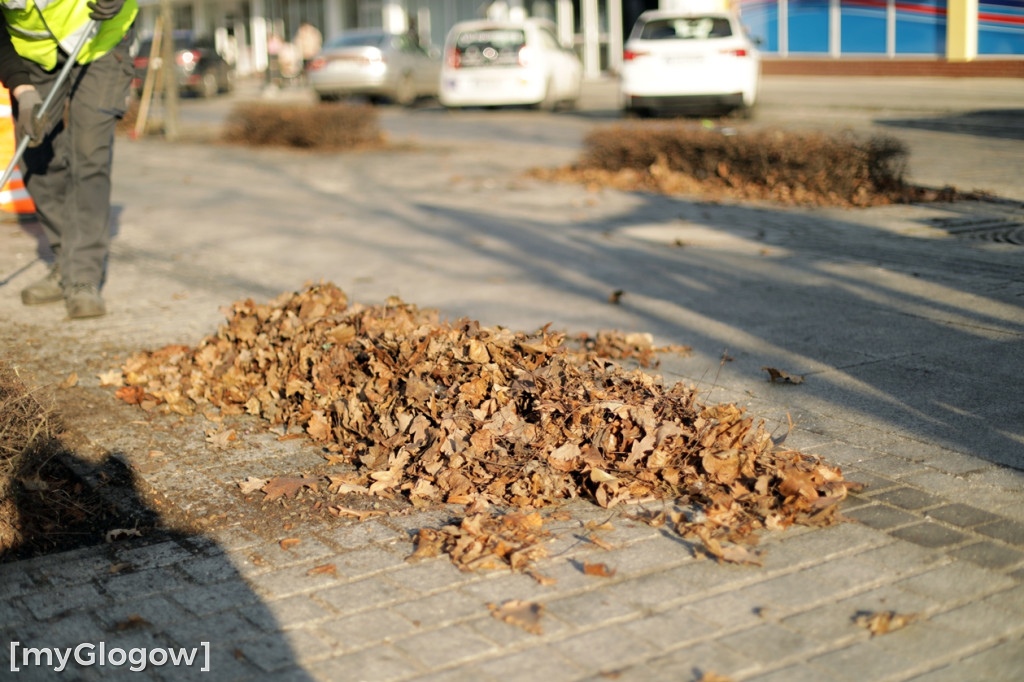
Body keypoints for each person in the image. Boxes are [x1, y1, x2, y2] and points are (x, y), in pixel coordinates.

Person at [0, 0, 138, 320]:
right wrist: (22, 91)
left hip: (100, 38)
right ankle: (66, 261)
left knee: (88, 154)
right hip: (32, 56)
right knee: (35, 153)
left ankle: (83, 277)